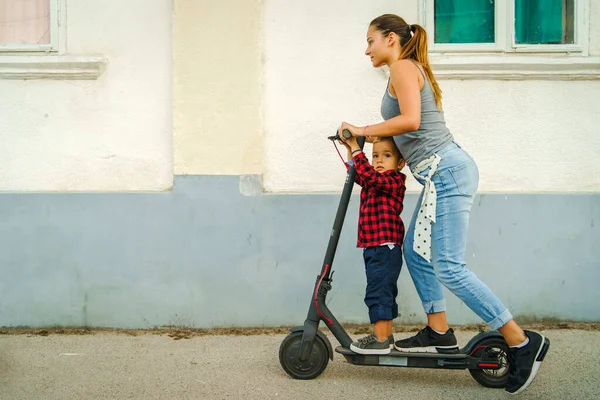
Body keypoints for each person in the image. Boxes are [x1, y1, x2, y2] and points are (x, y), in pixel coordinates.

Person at [337, 14, 549, 394]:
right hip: (440, 175)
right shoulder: (403, 69)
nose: (366, 49)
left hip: (447, 171)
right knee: (415, 253)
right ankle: (439, 331)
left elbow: (412, 120)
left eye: (370, 40)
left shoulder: (402, 65)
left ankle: (520, 341)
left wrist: (364, 130)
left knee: (449, 267)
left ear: (390, 38)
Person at [338, 135, 407, 355]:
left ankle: (380, 339)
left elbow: (369, 177)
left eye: (386, 155)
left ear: (400, 162)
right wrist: (351, 148)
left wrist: (359, 152)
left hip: (385, 247)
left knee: (378, 293)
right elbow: (359, 175)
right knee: (382, 292)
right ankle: (385, 336)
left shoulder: (393, 180)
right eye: (375, 155)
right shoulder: (373, 180)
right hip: (375, 246)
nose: (378, 160)